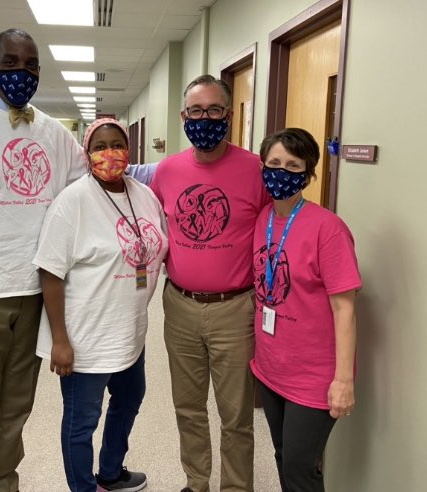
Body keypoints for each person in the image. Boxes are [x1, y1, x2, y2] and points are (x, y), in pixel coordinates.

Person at [0, 29, 155, 492]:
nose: (20, 71)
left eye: (30, 63)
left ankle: (6, 485)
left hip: (34, 296)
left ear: (40, 70)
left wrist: (182, 171)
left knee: (15, 412)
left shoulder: (52, 132)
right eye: (10, 62)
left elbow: (101, 167)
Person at [150, 74, 270, 492]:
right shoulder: (166, 172)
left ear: (229, 116)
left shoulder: (256, 170)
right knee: (188, 406)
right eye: (197, 111)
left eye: (215, 110)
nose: (205, 119)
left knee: (236, 413)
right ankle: (196, 482)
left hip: (235, 307)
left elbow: (277, 231)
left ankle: (236, 487)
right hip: (179, 304)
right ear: (184, 116)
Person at [33, 117, 167, 492]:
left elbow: (157, 246)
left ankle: (110, 470)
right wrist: (60, 340)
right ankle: (83, 487)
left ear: (129, 150)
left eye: (117, 144)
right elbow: (50, 273)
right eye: (99, 146)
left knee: (129, 400)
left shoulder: (143, 194)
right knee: (82, 421)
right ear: (87, 153)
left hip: (130, 331)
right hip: (86, 337)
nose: (110, 154)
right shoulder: (72, 201)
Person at [251, 128, 362, 492]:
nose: (281, 172)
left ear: (309, 174)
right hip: (271, 368)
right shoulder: (262, 218)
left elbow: (344, 309)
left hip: (314, 376)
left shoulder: (328, 230)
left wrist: (343, 381)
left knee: (301, 470)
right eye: (274, 163)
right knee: (284, 455)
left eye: (293, 166)